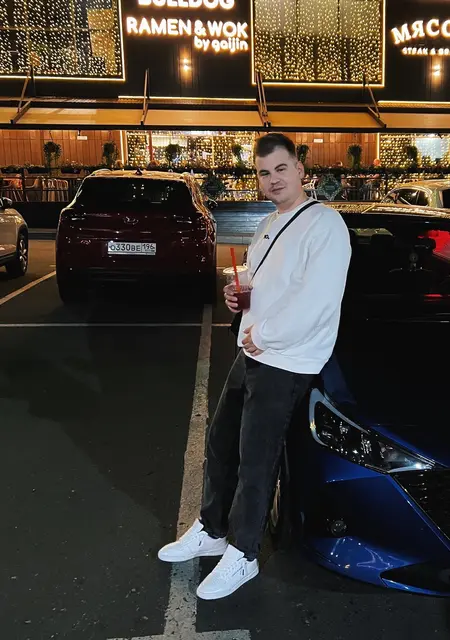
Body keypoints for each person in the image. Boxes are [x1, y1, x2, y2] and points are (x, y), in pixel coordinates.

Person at [158, 133, 352, 600]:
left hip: (287, 359)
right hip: (255, 352)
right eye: (264, 173)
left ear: (300, 170)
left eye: (281, 169)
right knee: (222, 441)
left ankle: (243, 553)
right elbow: (262, 280)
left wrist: (262, 335)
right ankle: (212, 528)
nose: (273, 180)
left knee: (257, 459)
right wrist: (237, 293)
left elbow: (317, 302)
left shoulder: (325, 225)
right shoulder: (269, 222)